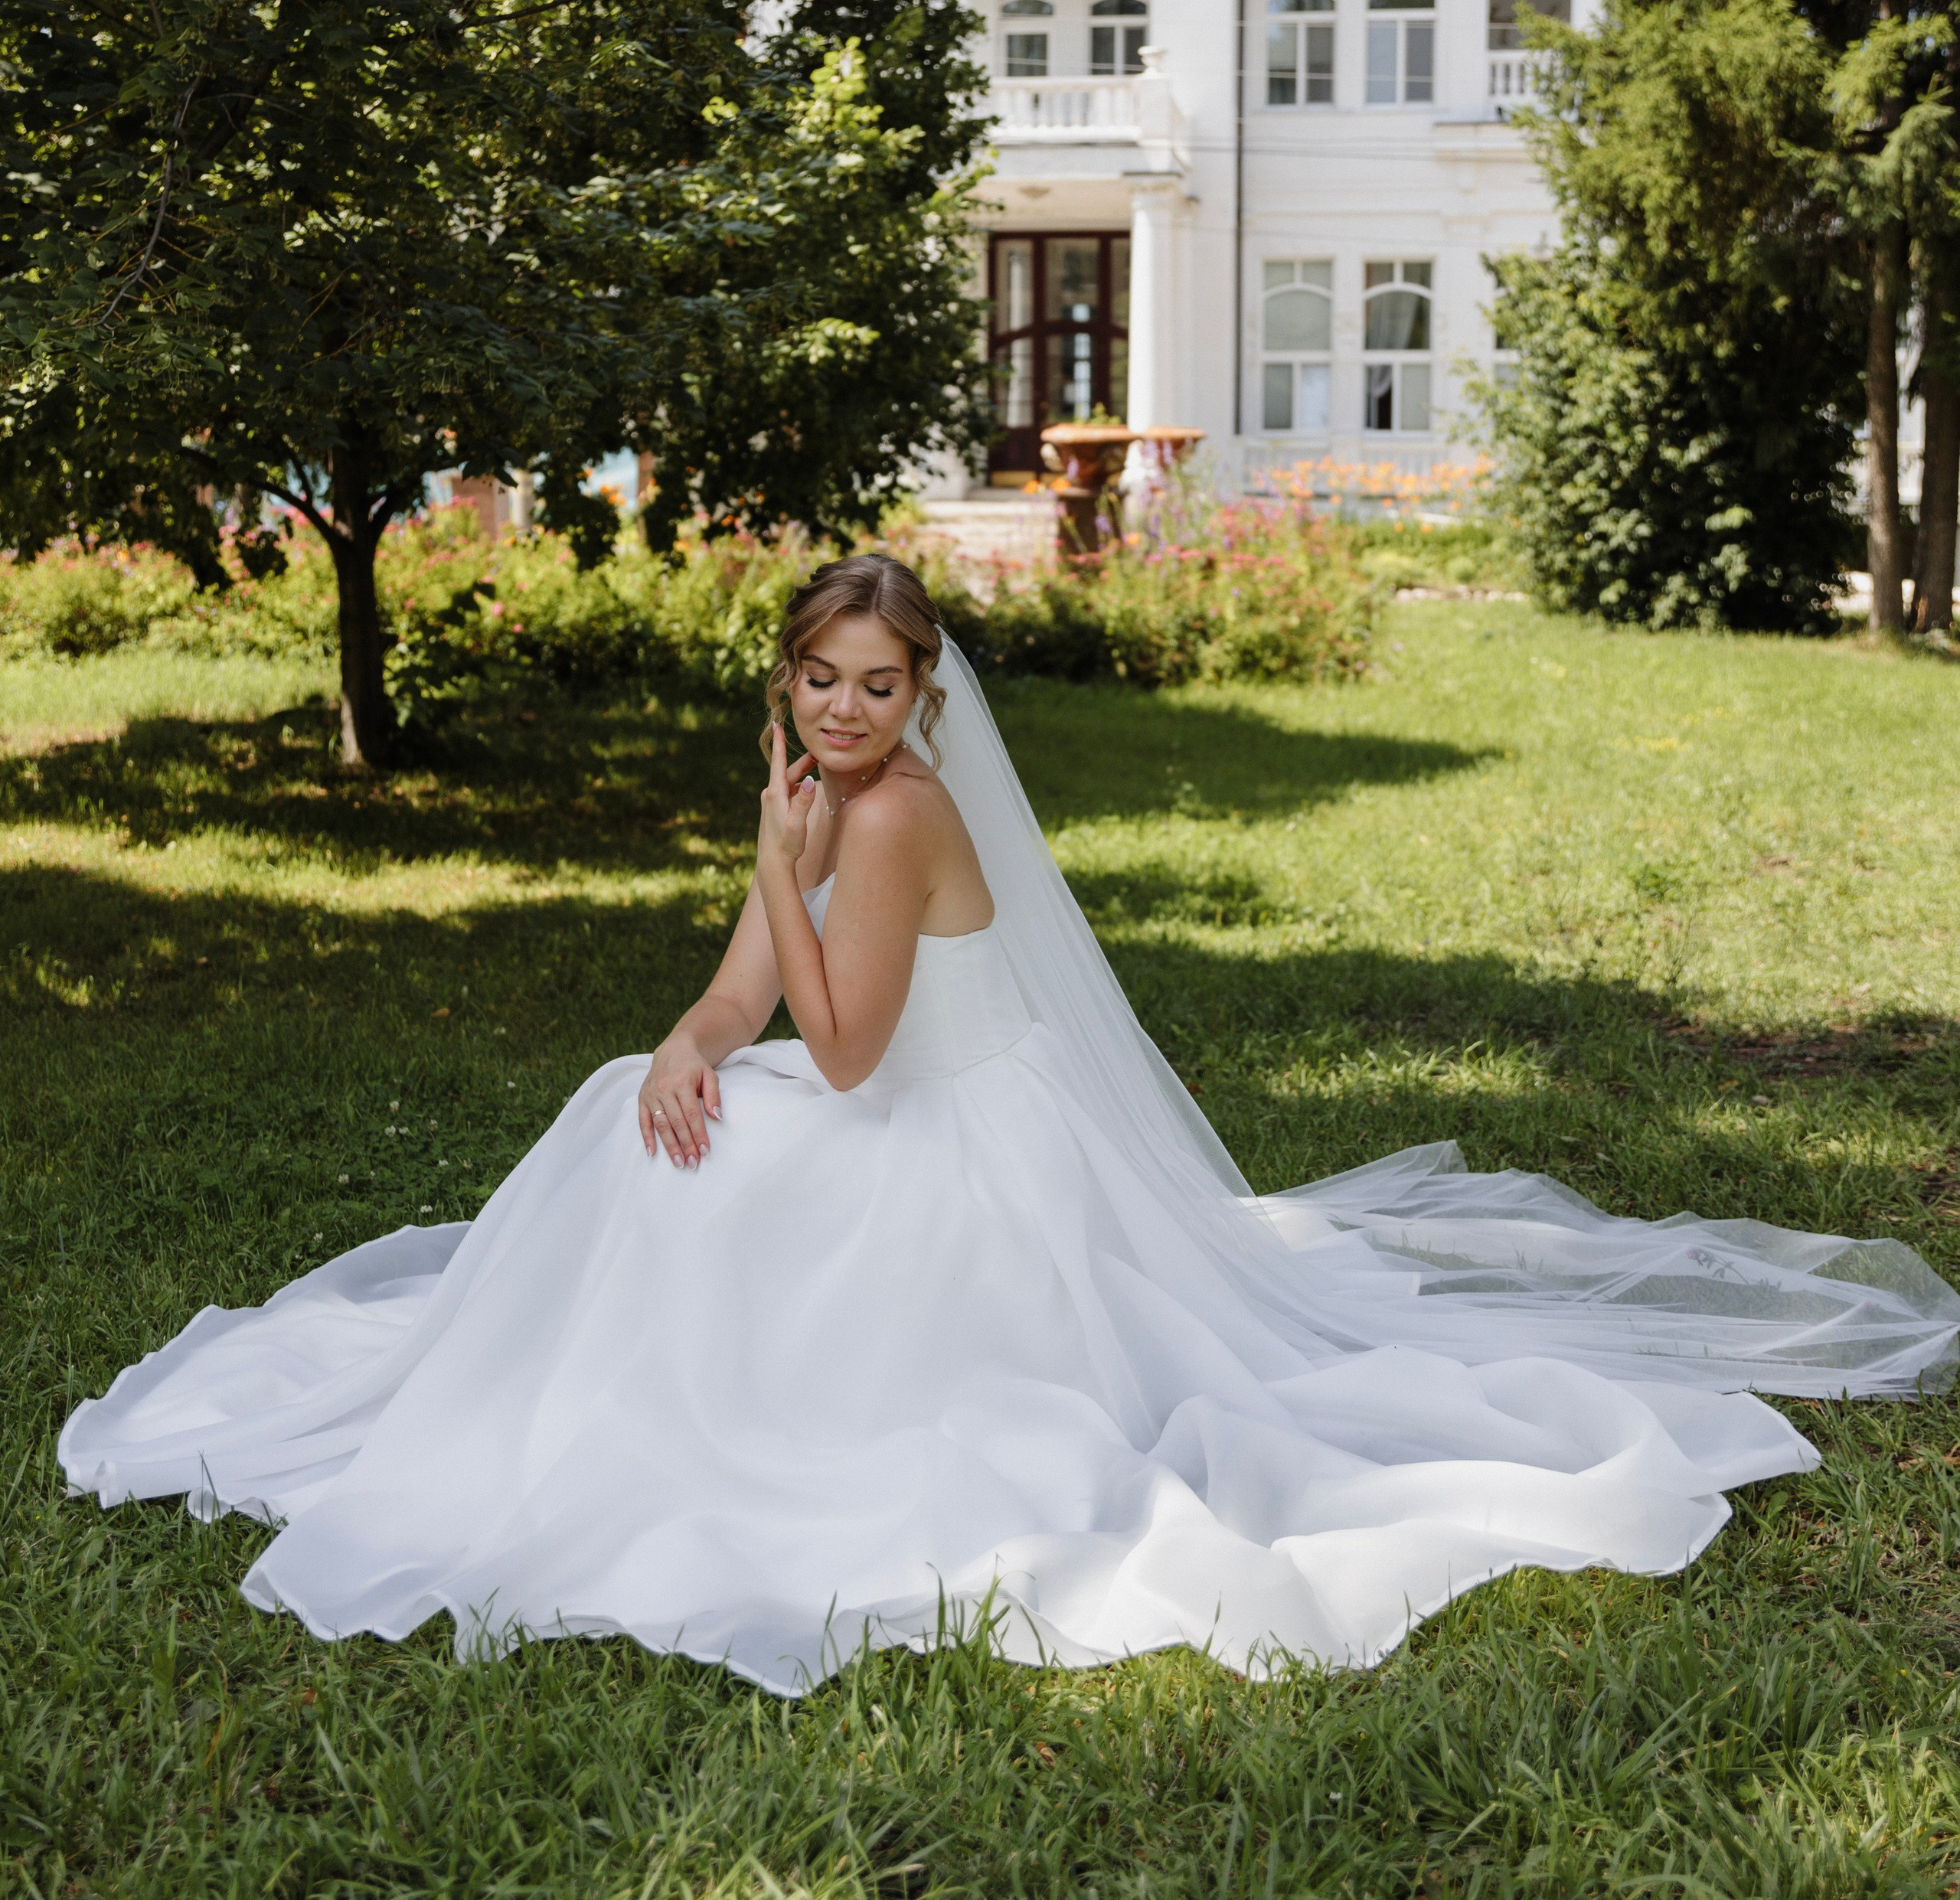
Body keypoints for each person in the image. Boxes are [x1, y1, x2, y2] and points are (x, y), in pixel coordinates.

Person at [59, 554, 1960, 1693]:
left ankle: (682, 1422)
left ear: (923, 699)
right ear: (789, 674)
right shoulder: (817, 795)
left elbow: (859, 1052)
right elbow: (750, 997)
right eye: (820, 681)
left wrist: (777, 855)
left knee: (717, 1200)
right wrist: (678, 1043)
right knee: (620, 1124)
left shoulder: (874, 817)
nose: (848, 710)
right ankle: (573, 1384)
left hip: (943, 1131)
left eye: (882, 688)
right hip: (868, 1080)